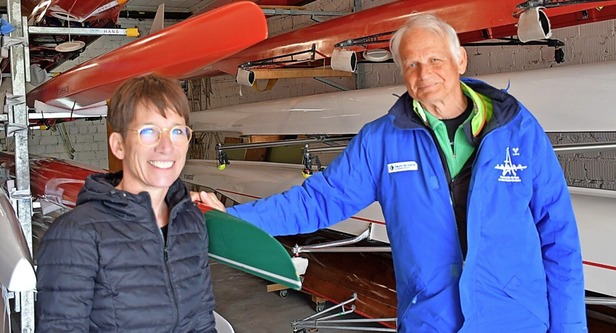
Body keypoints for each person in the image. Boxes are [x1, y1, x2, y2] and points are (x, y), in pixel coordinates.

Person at [204, 13, 588, 332]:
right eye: (412, 64)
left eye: (435, 60)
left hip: (517, 319)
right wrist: (230, 220)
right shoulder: (382, 141)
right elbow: (318, 200)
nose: (425, 74)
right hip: (431, 319)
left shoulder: (518, 130)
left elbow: (559, 237)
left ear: (460, 61)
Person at [36, 74, 219, 332]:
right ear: (119, 145)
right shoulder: (76, 234)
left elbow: (201, 319)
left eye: (177, 131)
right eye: (149, 132)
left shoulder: (190, 221)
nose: (166, 146)